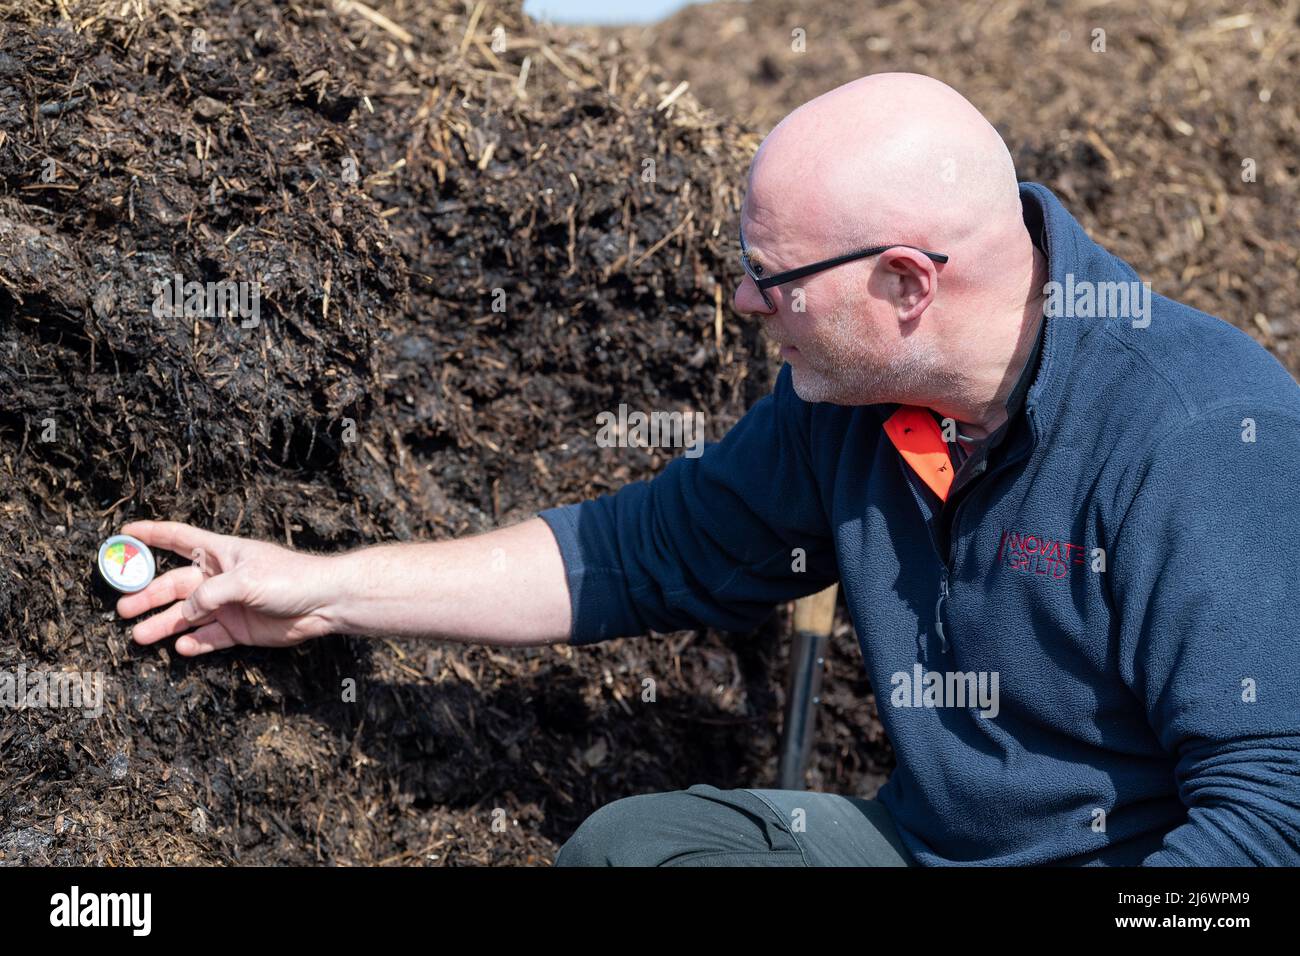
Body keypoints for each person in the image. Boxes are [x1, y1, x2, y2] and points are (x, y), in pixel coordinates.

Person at [116, 72, 1300, 866]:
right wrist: (316, 590)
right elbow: (634, 554)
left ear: (905, 283)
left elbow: (1268, 816)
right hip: (928, 845)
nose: (743, 301)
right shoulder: (851, 401)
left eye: (772, 276)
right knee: (641, 849)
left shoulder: (1199, 432)